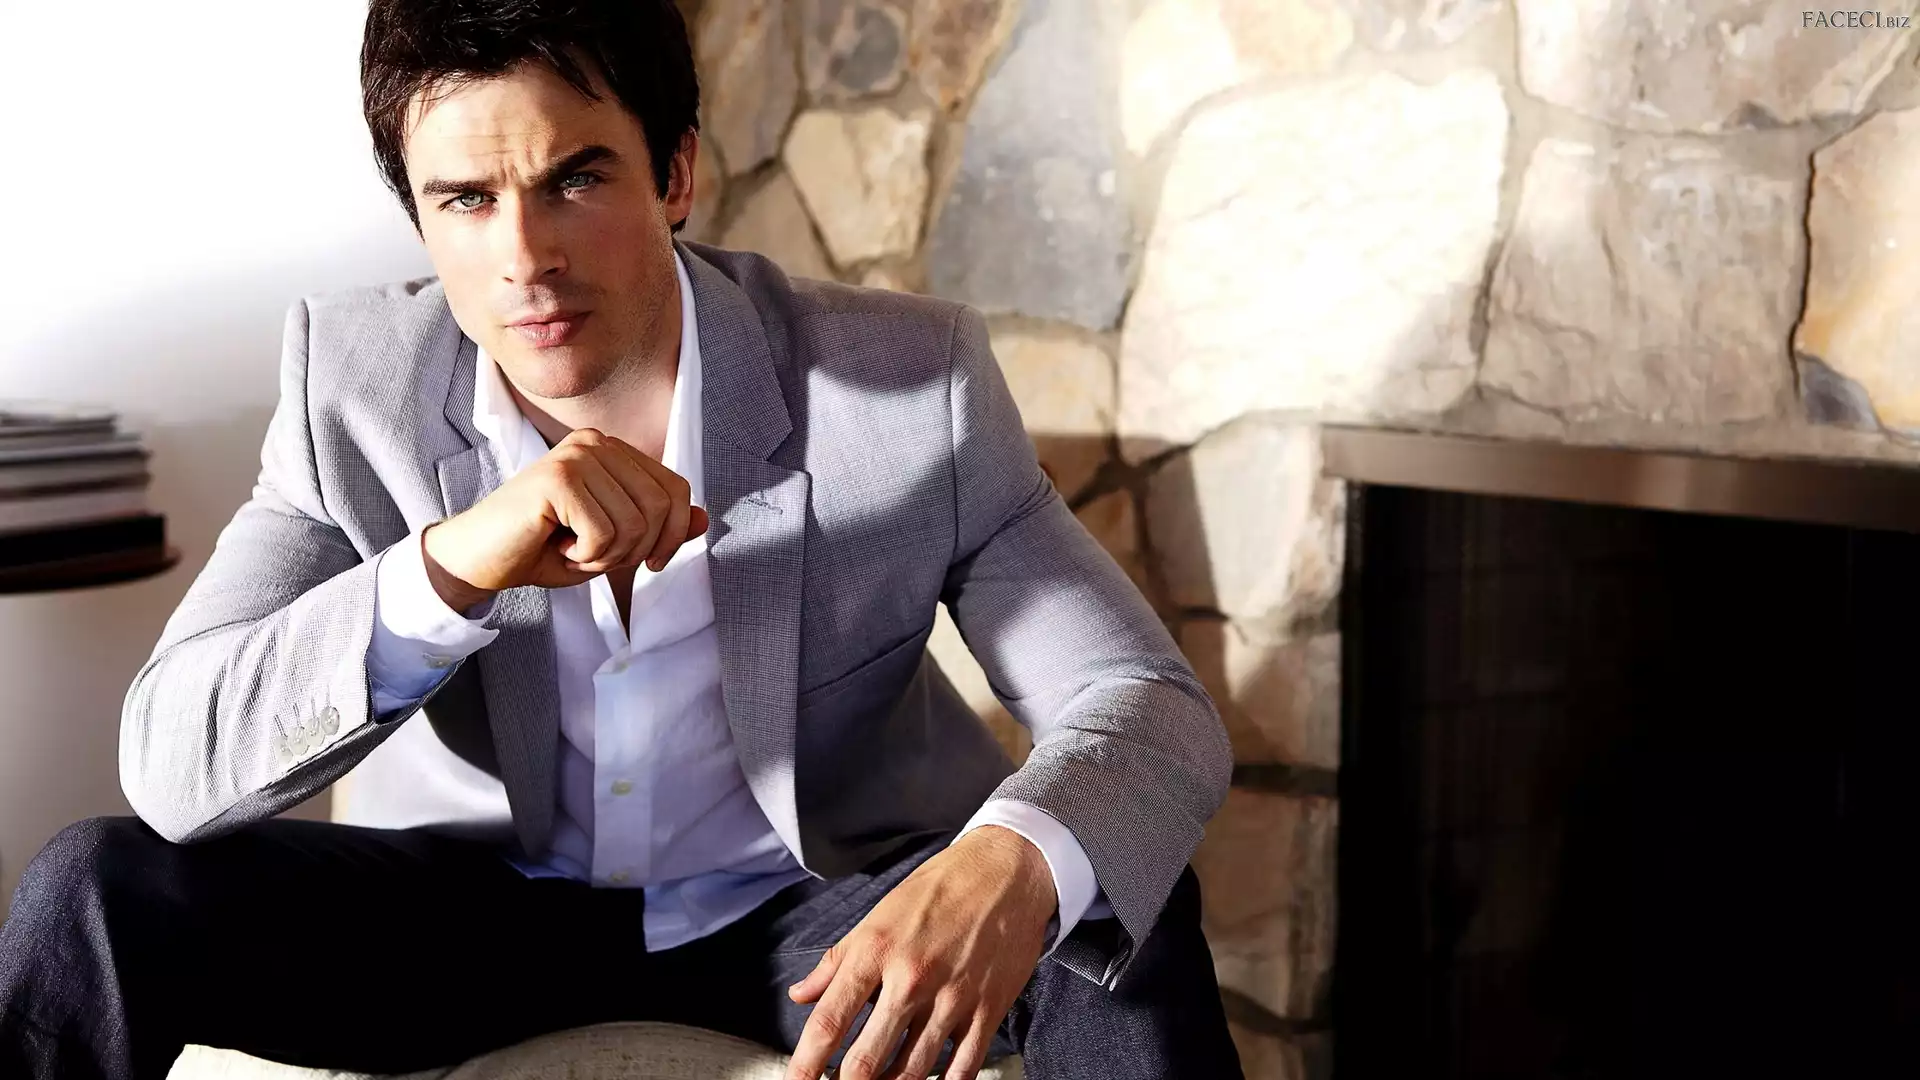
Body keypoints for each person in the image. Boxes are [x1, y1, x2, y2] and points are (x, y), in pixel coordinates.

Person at [0, 1, 1239, 1077]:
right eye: (467, 200)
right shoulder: (353, 388)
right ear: (420, 217)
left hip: (813, 919)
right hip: (473, 917)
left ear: (677, 173)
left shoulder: (912, 383)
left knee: (1107, 905)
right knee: (97, 889)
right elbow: (172, 765)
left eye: (576, 180)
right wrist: (448, 571)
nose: (525, 258)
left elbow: (1145, 700)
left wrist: (1014, 857)